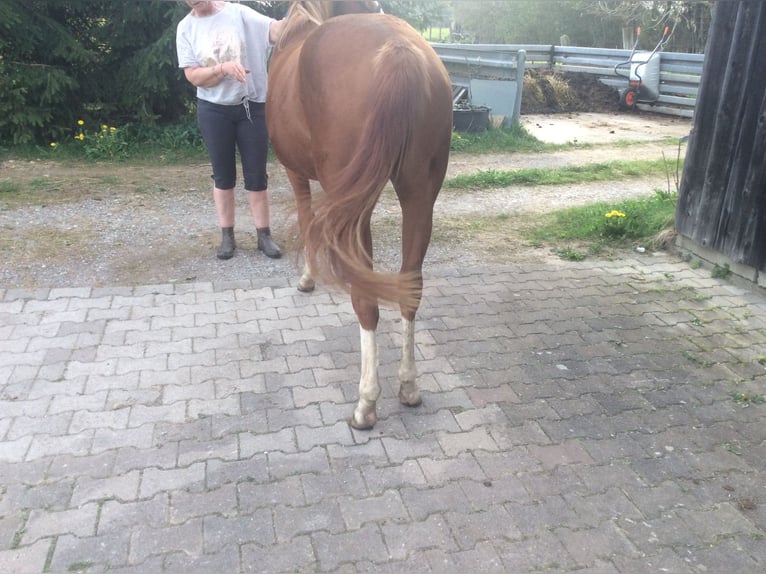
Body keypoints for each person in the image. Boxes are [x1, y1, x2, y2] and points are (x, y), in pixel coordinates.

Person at [176, 0, 285, 260]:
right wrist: (223, 68)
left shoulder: (238, 13)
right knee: (223, 176)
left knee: (257, 175)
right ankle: (227, 237)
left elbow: (276, 31)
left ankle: (264, 236)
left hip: (252, 106)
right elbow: (193, 76)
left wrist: (303, 9)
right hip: (213, 110)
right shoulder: (185, 28)